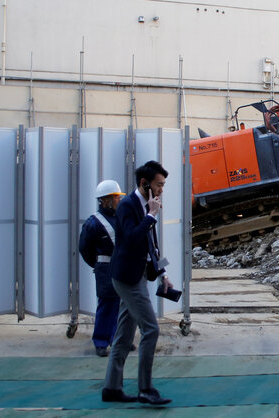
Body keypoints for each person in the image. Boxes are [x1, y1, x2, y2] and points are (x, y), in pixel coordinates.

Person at [102, 160, 174, 405]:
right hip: (128, 278)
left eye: (163, 184)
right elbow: (132, 239)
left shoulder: (146, 205)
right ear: (145, 184)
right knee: (151, 329)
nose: (162, 189)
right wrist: (151, 216)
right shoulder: (128, 206)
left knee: (123, 334)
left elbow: (151, 245)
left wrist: (163, 273)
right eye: (159, 185)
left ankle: (112, 388)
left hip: (138, 275)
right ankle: (146, 388)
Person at [79, 180, 125, 357]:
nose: (119, 201)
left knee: (122, 306)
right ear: (106, 200)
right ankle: (101, 342)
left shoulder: (120, 217)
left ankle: (118, 339)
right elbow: (84, 248)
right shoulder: (93, 223)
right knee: (107, 305)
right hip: (106, 269)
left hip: (120, 267)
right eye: (116, 198)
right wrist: (97, 264)